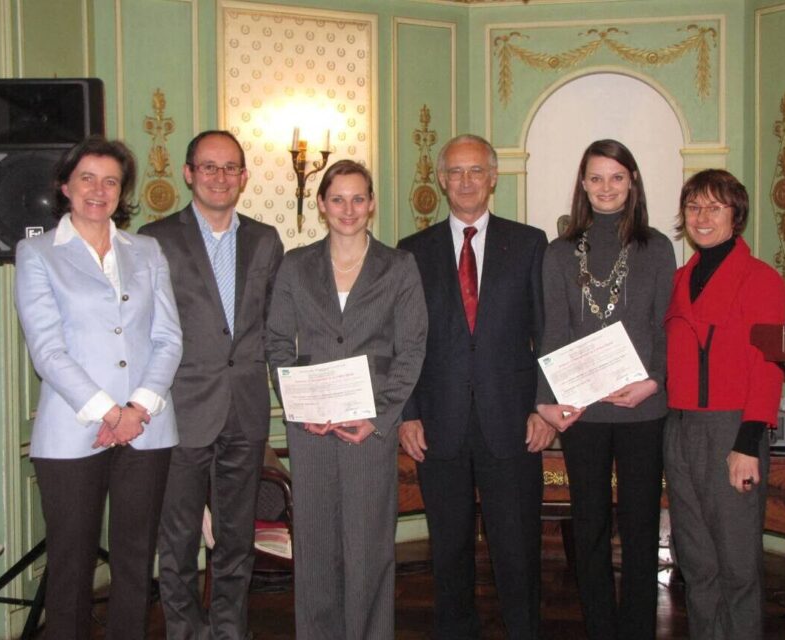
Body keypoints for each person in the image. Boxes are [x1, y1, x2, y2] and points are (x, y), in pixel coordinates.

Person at [14, 136, 182, 639]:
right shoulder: (38, 252)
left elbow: (168, 338)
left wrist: (138, 409)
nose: (98, 189)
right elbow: (47, 351)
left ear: (121, 192)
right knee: (71, 566)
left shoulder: (147, 250)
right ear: (65, 186)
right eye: (87, 178)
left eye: (110, 181)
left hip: (147, 430)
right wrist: (111, 412)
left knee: (134, 563)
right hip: (73, 432)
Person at [397, 134, 552, 639]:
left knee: (518, 550)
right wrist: (408, 413)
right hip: (438, 425)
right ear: (441, 180)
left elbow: (548, 332)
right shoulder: (412, 251)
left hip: (512, 422)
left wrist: (544, 409)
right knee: (449, 550)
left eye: (475, 171)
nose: (465, 181)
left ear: (492, 179)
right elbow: (405, 342)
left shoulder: (528, 243)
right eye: (455, 172)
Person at [265, 159, 428, 640]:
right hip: (311, 430)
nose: (349, 209)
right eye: (337, 199)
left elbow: (412, 346)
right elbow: (277, 343)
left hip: (368, 427)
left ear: (372, 204)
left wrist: (379, 418)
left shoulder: (399, 267)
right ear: (321, 205)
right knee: (314, 551)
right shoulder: (295, 265)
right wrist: (298, 406)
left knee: (368, 552)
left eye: (359, 198)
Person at [139, 130, 283, 640]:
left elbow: (275, 327)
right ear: (188, 173)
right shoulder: (155, 239)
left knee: (236, 538)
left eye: (230, 168)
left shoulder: (266, 239)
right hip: (179, 411)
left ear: (244, 177)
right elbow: (142, 330)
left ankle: (228, 630)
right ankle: (184, 631)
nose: (220, 177)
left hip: (245, 410)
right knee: (176, 539)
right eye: (209, 167)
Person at [536, 139, 676, 639]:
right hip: (583, 414)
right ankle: (599, 626)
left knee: (639, 528)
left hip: (643, 410)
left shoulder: (657, 247)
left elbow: (667, 326)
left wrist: (654, 381)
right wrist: (545, 400)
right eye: (596, 178)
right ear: (582, 184)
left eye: (616, 177)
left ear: (632, 182)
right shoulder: (558, 253)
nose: (606, 188)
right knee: (589, 528)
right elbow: (552, 331)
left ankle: (637, 629)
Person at [663, 169, 785, 640]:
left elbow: (767, 368)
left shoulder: (761, 280)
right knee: (695, 561)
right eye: (694, 206)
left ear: (736, 215)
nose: (702, 216)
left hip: (733, 429)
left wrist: (747, 443)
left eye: (715, 206)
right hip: (679, 429)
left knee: (737, 565)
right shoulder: (679, 279)